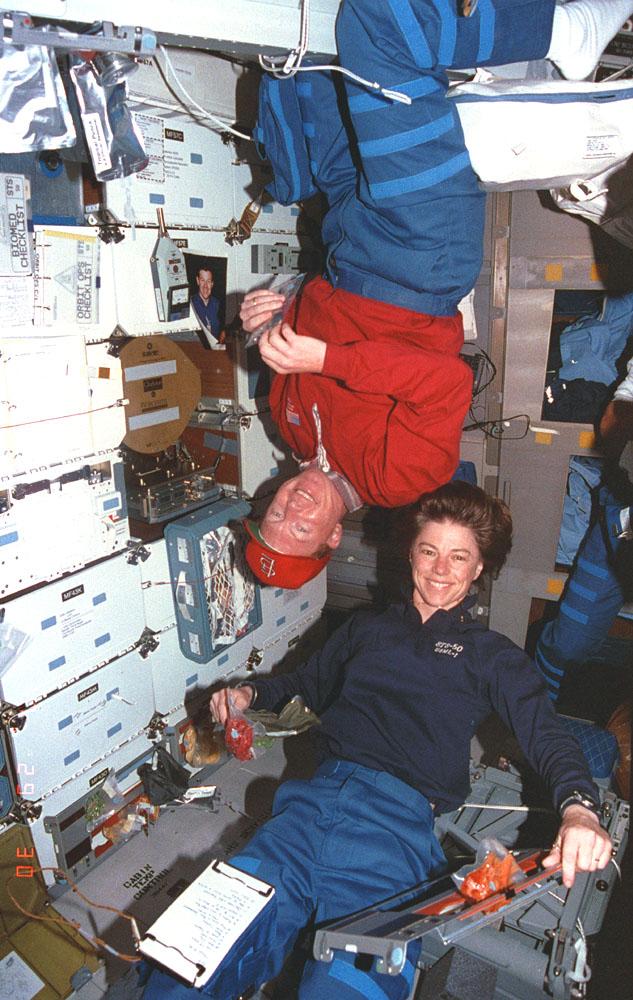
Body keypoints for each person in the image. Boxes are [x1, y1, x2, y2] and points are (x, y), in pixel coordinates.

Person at [141, 482, 612, 1000]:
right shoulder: (365, 629)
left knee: (349, 990)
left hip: (393, 839)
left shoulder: (491, 655)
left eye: (459, 557)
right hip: (303, 815)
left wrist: (579, 809)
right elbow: (305, 684)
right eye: (429, 551)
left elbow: (545, 732)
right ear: (411, 553)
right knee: (184, 959)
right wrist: (249, 693)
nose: (440, 569)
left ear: (479, 568)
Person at [242, 0, 633, 589]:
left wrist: (276, 306)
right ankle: (566, 34)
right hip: (418, 257)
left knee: (305, 66)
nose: (292, 508)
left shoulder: (290, 426)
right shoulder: (397, 481)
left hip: (346, 239)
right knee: (380, 27)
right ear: (331, 538)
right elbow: (445, 382)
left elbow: (311, 322)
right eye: (300, 529)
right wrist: (327, 360)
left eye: (274, 515)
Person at [191, 266, 224, 344]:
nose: (205, 286)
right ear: (197, 281)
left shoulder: (217, 304)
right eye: (202, 280)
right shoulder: (191, 304)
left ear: (212, 284)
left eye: (208, 281)